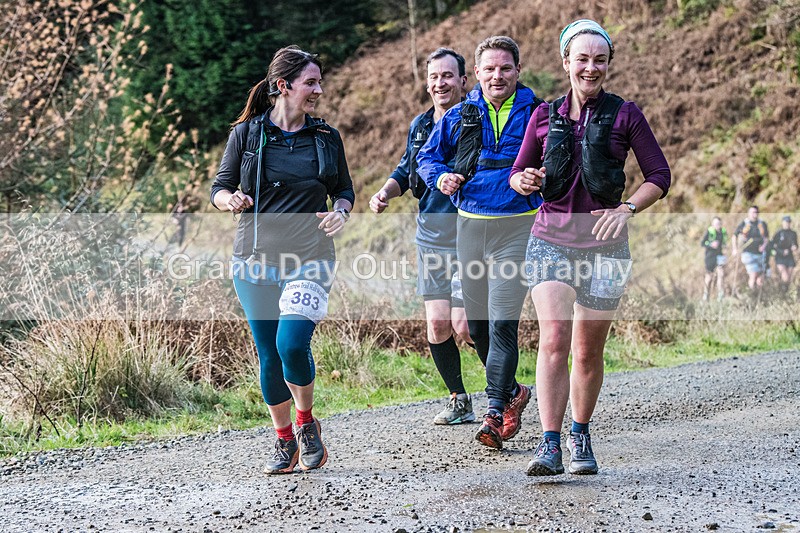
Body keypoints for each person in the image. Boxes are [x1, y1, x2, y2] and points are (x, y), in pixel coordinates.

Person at [510, 19, 670, 476]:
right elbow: (518, 173)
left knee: (586, 350)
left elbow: (660, 176)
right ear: (566, 62)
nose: (590, 67)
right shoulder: (542, 116)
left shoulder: (626, 114)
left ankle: (581, 434)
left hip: (607, 247)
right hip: (550, 241)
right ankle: (549, 443)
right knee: (555, 340)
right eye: (581, 58)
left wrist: (626, 210)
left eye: (599, 59)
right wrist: (524, 179)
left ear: (608, 64)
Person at [210, 46, 354, 474]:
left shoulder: (325, 137)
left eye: (319, 82)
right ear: (283, 86)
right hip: (253, 261)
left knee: (291, 343)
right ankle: (284, 440)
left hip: (310, 257)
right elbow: (218, 187)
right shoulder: (247, 135)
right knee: (269, 356)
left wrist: (341, 212)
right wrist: (228, 199)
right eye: (311, 83)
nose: (318, 90)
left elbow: (344, 189)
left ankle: (307, 423)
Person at [418, 36, 544, 450]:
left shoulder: (538, 113)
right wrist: (441, 177)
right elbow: (428, 157)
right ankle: (513, 393)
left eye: (505, 68)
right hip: (470, 228)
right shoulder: (461, 113)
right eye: (490, 68)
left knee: (504, 320)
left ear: (517, 71)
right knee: (477, 327)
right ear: (478, 73)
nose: (497, 75)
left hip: (517, 227)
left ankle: (493, 412)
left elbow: (557, 160)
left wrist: (536, 176)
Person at [369, 48, 477, 425]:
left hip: (470, 235)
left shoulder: (475, 122)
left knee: (466, 325)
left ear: (464, 81)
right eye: (434, 77)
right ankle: (459, 399)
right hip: (431, 237)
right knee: (437, 324)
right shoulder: (419, 125)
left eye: (448, 76)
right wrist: (384, 192)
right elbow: (405, 170)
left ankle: (505, 391)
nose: (440, 83)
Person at [732, 206, 769, 292]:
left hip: (760, 254)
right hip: (748, 253)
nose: (754, 214)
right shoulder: (745, 223)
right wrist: (735, 248)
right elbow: (734, 235)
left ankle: (758, 295)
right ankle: (751, 295)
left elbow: (766, 238)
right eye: (752, 212)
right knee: (753, 274)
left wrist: (763, 246)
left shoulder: (762, 224)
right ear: (748, 213)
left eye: (756, 212)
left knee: (760, 278)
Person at [701, 216, 727, 301]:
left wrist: (726, 247)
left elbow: (724, 243)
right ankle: (706, 295)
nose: (717, 225)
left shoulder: (723, 232)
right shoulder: (709, 232)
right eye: (715, 224)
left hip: (719, 255)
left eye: (719, 223)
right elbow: (702, 243)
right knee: (709, 278)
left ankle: (721, 293)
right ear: (712, 224)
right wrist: (711, 244)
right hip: (710, 256)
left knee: (721, 274)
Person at [770, 215, 798, 295]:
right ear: (782, 223)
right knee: (785, 277)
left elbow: (795, 244)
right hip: (780, 257)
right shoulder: (778, 233)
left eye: (788, 222)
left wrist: (795, 247)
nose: (787, 224)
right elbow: (772, 246)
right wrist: (781, 252)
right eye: (786, 222)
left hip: (790, 257)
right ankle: (781, 292)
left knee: (789, 278)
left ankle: (785, 293)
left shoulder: (793, 233)